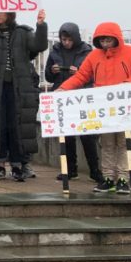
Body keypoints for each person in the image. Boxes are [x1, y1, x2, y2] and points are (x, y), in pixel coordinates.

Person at [57, 22, 131, 194]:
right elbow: (81, 76)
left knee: (124, 142)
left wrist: (127, 84)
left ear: (116, 38)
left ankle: (123, 178)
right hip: (105, 108)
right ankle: (108, 178)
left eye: (108, 40)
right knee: (107, 143)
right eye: (102, 41)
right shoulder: (94, 56)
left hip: (125, 107)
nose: (105, 44)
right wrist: (64, 88)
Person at [0, 8, 48, 182]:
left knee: (16, 125)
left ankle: (17, 164)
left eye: (1, 12)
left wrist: (41, 25)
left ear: (10, 13)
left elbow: (39, 46)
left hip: (18, 88)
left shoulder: (23, 32)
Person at [44, 23, 102, 184]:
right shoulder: (55, 50)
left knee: (88, 136)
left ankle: (95, 170)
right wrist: (52, 70)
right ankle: (70, 170)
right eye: (63, 39)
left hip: (82, 97)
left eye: (69, 40)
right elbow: (48, 76)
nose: (66, 43)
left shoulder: (87, 51)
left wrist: (80, 73)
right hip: (62, 96)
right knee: (66, 137)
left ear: (76, 38)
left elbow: (94, 76)